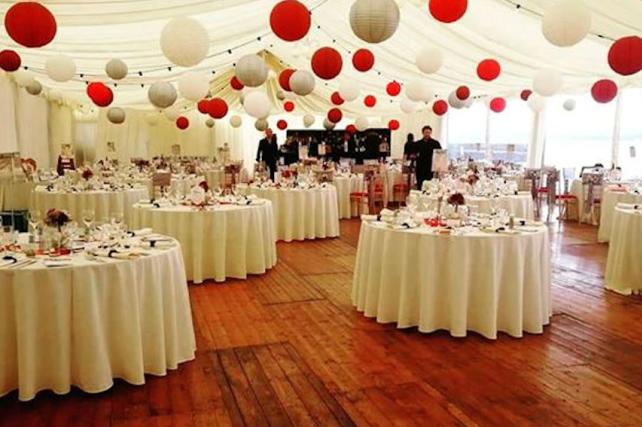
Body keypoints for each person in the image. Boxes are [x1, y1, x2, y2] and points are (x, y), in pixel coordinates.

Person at [415, 126, 442, 190]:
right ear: (422, 133)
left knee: (430, 185)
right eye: (426, 132)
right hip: (420, 167)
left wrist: (438, 167)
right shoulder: (418, 143)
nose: (427, 134)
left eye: (429, 132)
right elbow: (413, 154)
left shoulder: (435, 143)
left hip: (430, 167)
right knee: (420, 184)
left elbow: (440, 155)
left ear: (431, 133)